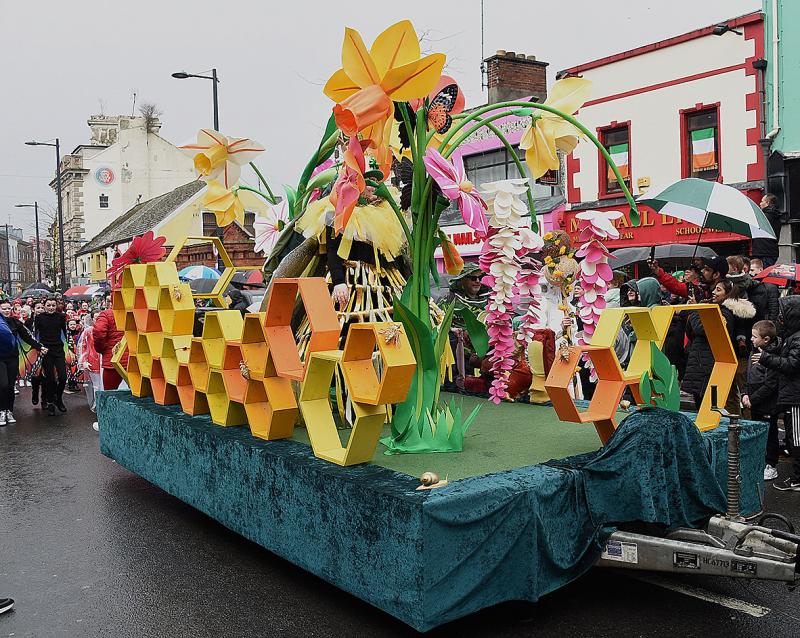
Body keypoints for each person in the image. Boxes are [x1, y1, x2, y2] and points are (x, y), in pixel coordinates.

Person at [757, 295, 800, 491]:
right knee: (793, 436)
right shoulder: (791, 336)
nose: (780, 318)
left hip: (796, 397)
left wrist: (766, 358)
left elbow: (792, 365)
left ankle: (798, 478)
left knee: (797, 439)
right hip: (791, 395)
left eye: (783, 314)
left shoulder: (797, 338)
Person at [682, 280, 742, 412]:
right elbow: (690, 330)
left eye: (719, 290)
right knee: (701, 404)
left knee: (710, 407)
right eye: (714, 289)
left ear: (728, 294)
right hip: (701, 363)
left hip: (709, 365)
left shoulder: (725, 313)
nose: (714, 292)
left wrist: (696, 310)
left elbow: (701, 329)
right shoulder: (710, 308)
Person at [743, 320, 781, 481]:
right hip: (754, 400)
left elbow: (771, 383)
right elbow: (749, 375)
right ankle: (760, 461)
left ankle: (771, 464)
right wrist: (745, 393)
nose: (751, 339)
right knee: (759, 431)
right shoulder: (754, 351)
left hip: (766, 403)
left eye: (754, 336)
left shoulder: (772, 356)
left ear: (766, 339)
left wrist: (753, 399)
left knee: (770, 434)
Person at [0, 300, 46, 425]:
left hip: (12, 357)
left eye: (8, 308)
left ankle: (9, 411)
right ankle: (1, 411)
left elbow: (27, 336)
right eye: (3, 308)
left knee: (10, 385)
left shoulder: (15, 322)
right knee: (3, 385)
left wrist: (39, 346)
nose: (6, 310)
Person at [34, 297, 68, 416]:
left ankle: (58, 398)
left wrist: (70, 350)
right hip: (46, 350)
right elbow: (34, 335)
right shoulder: (39, 318)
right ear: (44, 306)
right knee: (50, 379)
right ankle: (50, 403)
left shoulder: (61, 317)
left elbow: (66, 334)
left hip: (58, 349)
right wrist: (39, 348)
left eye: (53, 305)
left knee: (63, 377)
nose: (51, 307)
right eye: (49, 305)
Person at [93, 303, 128, 391]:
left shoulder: (106, 314)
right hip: (135, 360)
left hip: (113, 360)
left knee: (109, 394)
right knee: (138, 395)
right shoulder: (137, 312)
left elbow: (99, 332)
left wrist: (102, 349)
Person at [78, 310, 102, 431]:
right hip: (93, 363)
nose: (98, 320)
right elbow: (83, 347)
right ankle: (100, 414)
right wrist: (84, 361)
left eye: (100, 317)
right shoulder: (88, 332)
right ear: (92, 319)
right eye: (96, 318)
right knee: (97, 388)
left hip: (106, 363)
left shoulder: (106, 329)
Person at [752, 194, 782, 268]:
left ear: (767, 203)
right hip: (770, 251)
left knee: (760, 275)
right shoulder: (776, 216)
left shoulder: (763, 217)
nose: (760, 203)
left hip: (763, 252)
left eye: (762, 201)